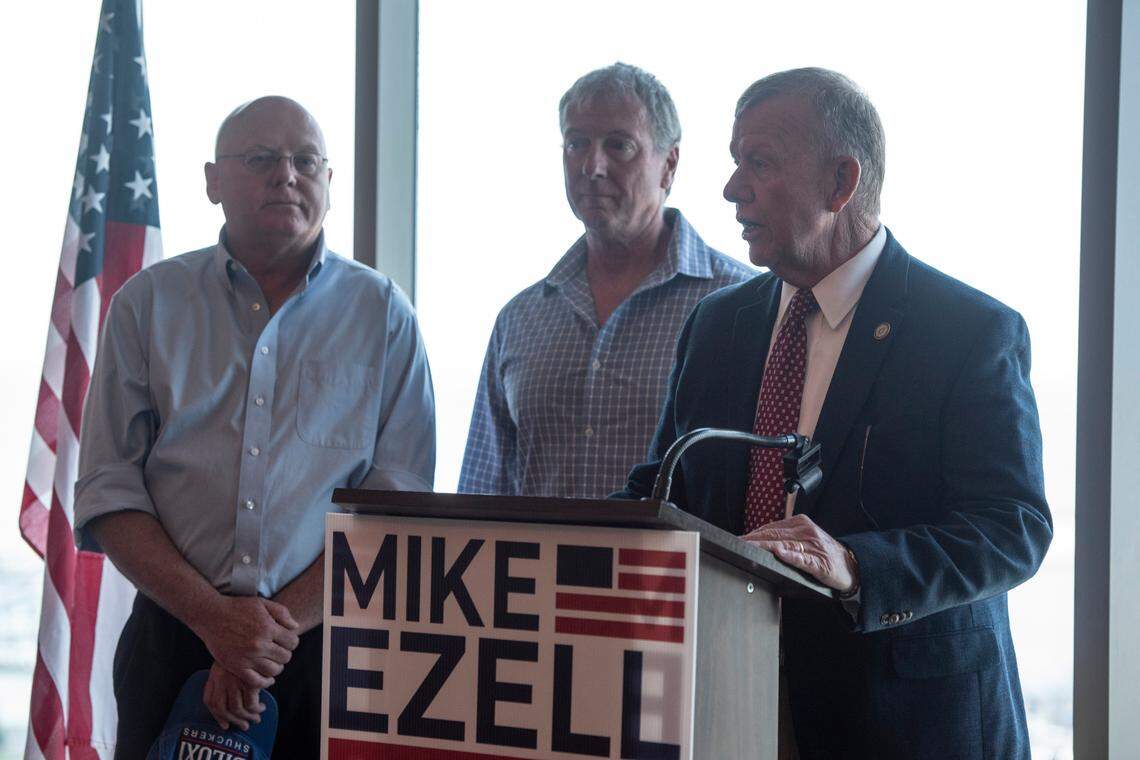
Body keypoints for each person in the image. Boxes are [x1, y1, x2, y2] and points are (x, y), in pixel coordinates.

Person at [620, 68, 1051, 758]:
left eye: (758, 163)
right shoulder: (717, 326)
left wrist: (856, 563)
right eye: (735, 162)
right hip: (729, 704)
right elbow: (667, 484)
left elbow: (1012, 528)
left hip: (906, 723)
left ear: (840, 182)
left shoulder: (967, 330)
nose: (732, 188)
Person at [73, 96, 435, 759]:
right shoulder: (146, 306)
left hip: (331, 650)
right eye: (261, 159)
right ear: (213, 181)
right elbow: (108, 492)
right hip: (172, 639)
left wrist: (262, 639)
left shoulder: (384, 316)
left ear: (329, 181)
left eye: (306, 160)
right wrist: (215, 621)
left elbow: (395, 510)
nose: (286, 175)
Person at [459, 63, 752, 498]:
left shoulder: (740, 305)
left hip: (677, 567)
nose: (592, 166)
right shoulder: (520, 319)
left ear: (668, 165)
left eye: (619, 145)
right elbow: (482, 492)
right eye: (576, 143)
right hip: (535, 568)